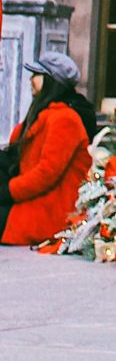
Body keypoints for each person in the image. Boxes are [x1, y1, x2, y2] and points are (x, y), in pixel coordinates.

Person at [0, 51, 97, 248]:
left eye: (37, 75)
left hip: (50, 210)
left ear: (51, 81)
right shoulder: (45, 114)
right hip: (34, 201)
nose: (31, 79)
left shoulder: (65, 119)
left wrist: (7, 192)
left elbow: (46, 173)